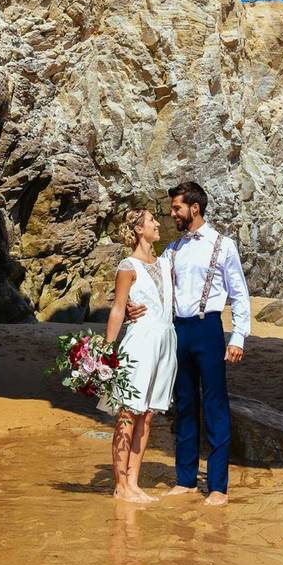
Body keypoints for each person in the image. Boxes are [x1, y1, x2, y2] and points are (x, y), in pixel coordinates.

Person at [126, 182, 251, 506]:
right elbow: (148, 278)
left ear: (194, 208)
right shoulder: (173, 250)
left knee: (214, 405)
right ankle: (185, 479)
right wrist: (127, 302)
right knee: (183, 405)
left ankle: (219, 487)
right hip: (177, 331)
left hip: (208, 328)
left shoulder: (223, 245)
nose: (172, 214)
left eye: (177, 208)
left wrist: (238, 337)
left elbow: (239, 294)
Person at [103, 208, 178, 503]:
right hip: (139, 342)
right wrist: (106, 350)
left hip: (165, 342)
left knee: (147, 416)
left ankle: (134, 482)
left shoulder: (165, 261)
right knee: (128, 412)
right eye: (151, 221)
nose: (158, 224)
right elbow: (119, 309)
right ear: (138, 229)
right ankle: (120, 485)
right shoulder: (127, 266)